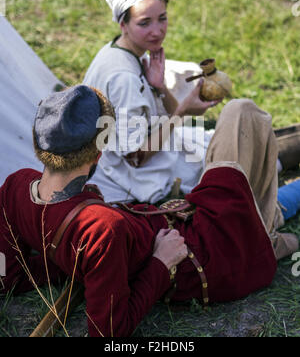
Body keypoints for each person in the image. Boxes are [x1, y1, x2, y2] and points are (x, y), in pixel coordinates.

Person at [1, 85, 298, 337]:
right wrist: (160, 262)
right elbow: (108, 332)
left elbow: (7, 276)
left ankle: (270, 226)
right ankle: (268, 233)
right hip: (213, 252)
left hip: (188, 225)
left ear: (40, 142)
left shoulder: (16, 187)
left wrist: (82, 267)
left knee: (262, 203)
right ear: (99, 150)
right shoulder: (101, 228)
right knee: (241, 111)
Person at [82, 0, 299, 257]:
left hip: (166, 151)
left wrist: (160, 88)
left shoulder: (126, 52)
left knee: (255, 141)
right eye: (144, 23)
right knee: (247, 162)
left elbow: (160, 116)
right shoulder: (122, 76)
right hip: (141, 178)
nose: (157, 31)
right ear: (123, 24)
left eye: (163, 18)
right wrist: (184, 110)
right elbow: (135, 156)